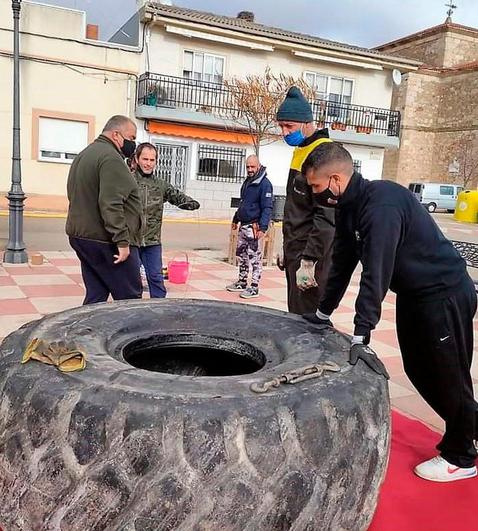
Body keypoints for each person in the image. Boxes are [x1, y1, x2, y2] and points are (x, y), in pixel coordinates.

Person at [302, 141, 478, 483]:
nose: (314, 194)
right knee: (417, 368)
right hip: (415, 295)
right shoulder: (349, 207)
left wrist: (361, 335)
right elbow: (341, 264)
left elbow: (376, 273)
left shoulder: (381, 205)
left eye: (316, 187)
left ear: (336, 180)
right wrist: (322, 314)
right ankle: (471, 427)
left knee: (447, 375)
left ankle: (462, 456)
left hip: (444, 293)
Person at [66, 115, 143, 304]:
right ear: (116, 135)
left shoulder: (85, 154)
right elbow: (111, 203)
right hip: (106, 241)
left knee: (96, 295)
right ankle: (131, 333)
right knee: (130, 299)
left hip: (81, 237)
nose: (133, 144)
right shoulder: (111, 158)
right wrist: (122, 242)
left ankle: (86, 332)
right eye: (131, 138)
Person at [276, 86, 335, 314]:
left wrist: (310, 260)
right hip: (296, 249)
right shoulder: (301, 150)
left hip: (312, 255)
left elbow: (326, 216)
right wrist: (286, 246)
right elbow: (297, 207)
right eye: (281, 126)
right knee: (296, 311)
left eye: (289, 126)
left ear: (307, 123)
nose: (284, 132)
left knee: (308, 318)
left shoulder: (323, 154)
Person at [133, 142, 200, 298]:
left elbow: (177, 197)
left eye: (152, 160)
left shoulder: (161, 185)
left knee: (156, 278)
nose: (148, 163)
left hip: (152, 243)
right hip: (131, 242)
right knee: (131, 282)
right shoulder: (128, 182)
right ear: (137, 159)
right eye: (145, 159)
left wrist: (191, 203)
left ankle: (159, 311)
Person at [226, 155, 273, 298]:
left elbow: (267, 208)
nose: (250, 169)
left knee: (255, 258)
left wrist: (263, 228)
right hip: (243, 225)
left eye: (252, 167)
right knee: (242, 255)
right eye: (248, 167)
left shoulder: (265, 184)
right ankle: (242, 281)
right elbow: (243, 203)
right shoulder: (248, 182)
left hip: (254, 227)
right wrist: (236, 219)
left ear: (258, 166)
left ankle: (254, 287)